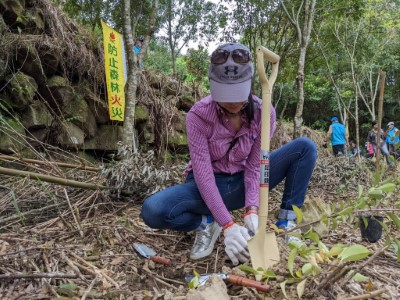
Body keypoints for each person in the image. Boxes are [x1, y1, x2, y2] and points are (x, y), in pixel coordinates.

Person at [140, 42, 317, 265]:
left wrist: (252, 208)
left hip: (243, 182)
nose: (233, 102)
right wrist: (228, 225)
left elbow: (255, 166)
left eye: (238, 94)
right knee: (153, 210)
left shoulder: (265, 112)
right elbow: (203, 175)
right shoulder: (198, 116)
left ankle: (287, 223)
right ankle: (207, 223)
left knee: (304, 148)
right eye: (226, 94)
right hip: (207, 186)